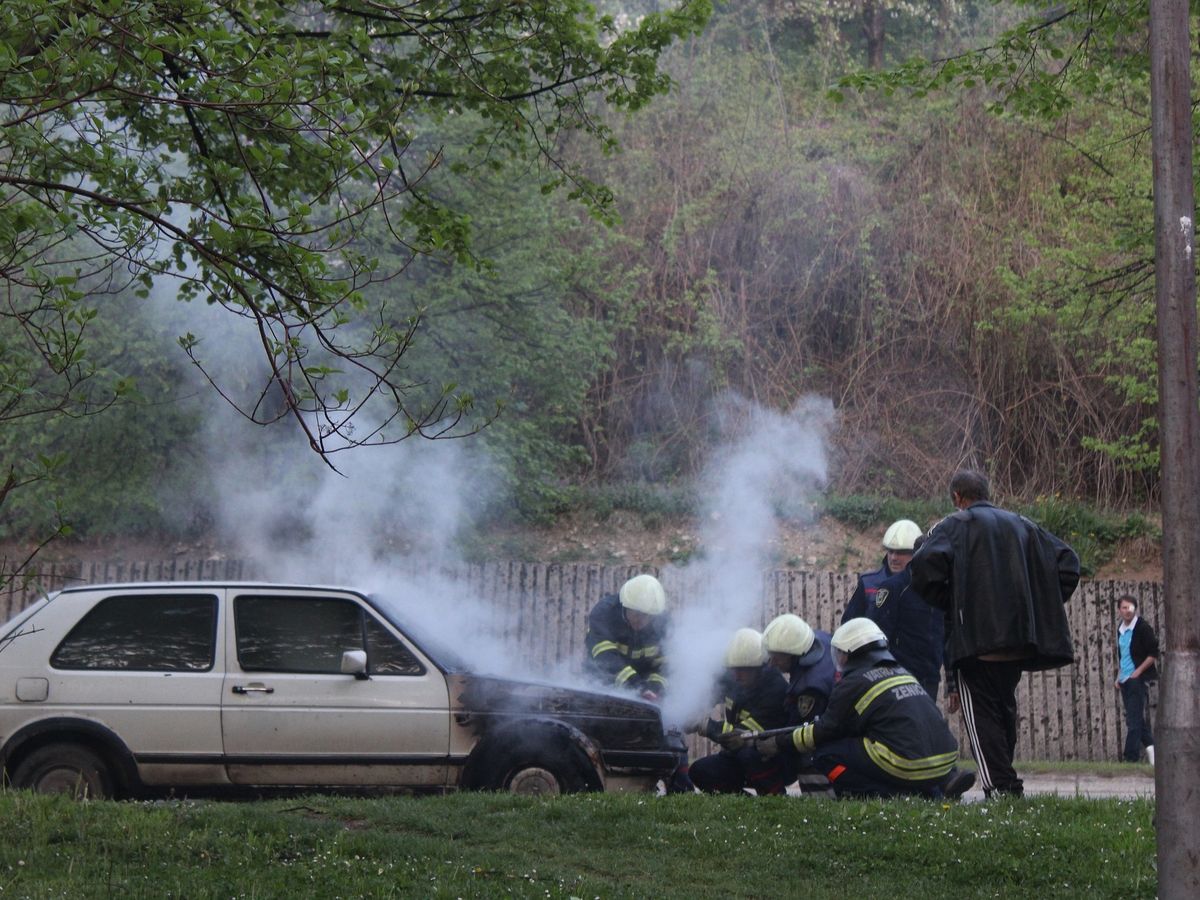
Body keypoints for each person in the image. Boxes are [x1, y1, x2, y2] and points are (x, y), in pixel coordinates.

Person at [909, 469, 1080, 798]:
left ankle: (1000, 788)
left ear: (957, 497)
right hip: (1018, 642)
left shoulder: (954, 525)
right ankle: (1006, 784)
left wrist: (952, 601)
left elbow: (922, 564)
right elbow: (1069, 564)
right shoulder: (1023, 524)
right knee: (1003, 712)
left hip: (977, 643)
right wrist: (1038, 604)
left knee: (981, 719)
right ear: (987, 493)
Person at [764, 618, 972, 799]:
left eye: (840, 653)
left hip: (906, 763)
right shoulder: (901, 672)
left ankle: (890, 794)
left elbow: (825, 730)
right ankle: (935, 790)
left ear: (852, 653)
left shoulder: (853, 683)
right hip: (944, 760)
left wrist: (779, 742)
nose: (838, 658)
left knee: (825, 754)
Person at [688, 628, 791, 795]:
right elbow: (708, 695)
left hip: (774, 758)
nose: (736, 676)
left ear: (760, 668)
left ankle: (774, 797)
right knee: (699, 771)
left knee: (748, 753)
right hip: (738, 755)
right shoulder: (734, 678)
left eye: (742, 670)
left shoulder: (775, 691)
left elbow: (742, 736)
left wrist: (704, 725)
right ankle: (745, 803)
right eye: (733, 669)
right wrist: (690, 710)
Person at [863, 535, 945, 699]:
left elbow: (946, 634)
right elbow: (877, 634)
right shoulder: (894, 587)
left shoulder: (942, 589)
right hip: (898, 676)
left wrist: (951, 680)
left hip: (929, 677)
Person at [584, 573, 668, 700]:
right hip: (600, 685)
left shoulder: (663, 625)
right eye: (637, 614)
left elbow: (666, 666)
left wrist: (655, 687)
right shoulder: (605, 614)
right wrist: (637, 686)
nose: (642, 621)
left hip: (644, 692)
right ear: (625, 606)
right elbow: (605, 658)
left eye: (648, 616)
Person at [842, 519, 923, 622]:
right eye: (890, 551)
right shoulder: (868, 583)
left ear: (916, 554)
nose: (893, 558)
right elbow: (849, 622)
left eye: (900, 552)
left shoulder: (927, 587)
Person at [1115, 595, 1158, 765]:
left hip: (1137, 679)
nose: (1127, 611)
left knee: (1133, 721)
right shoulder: (1120, 629)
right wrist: (1119, 676)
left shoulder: (1142, 628)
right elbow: (1123, 655)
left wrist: (1137, 672)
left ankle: (1130, 757)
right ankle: (1152, 748)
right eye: (1124, 608)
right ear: (1119, 610)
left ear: (1135, 608)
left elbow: (1153, 654)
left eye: (1130, 607)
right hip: (1124, 679)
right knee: (1136, 719)